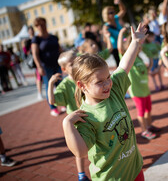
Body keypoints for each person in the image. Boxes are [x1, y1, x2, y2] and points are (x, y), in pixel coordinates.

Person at [62, 23, 147, 180]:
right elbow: (80, 152)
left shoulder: (113, 90)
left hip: (135, 170)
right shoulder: (86, 116)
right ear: (82, 85)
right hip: (112, 177)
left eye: (108, 77)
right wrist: (67, 124)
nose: (107, 83)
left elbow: (124, 66)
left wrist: (135, 42)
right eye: (99, 82)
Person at [47, 51, 89, 181]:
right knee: (79, 150)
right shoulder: (65, 85)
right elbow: (53, 101)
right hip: (77, 121)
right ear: (64, 69)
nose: (75, 65)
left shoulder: (84, 77)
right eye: (71, 64)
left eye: (77, 61)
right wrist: (50, 84)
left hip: (91, 116)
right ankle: (81, 174)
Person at [118, 27, 159, 140]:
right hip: (136, 91)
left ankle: (149, 126)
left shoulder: (140, 58)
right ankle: (144, 130)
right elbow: (120, 49)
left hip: (145, 89)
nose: (140, 47)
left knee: (148, 109)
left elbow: (147, 70)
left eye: (140, 46)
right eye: (138, 46)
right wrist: (121, 33)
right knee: (141, 111)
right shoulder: (128, 59)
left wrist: (150, 61)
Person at [31, 17, 63, 116]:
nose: (41, 26)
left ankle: (63, 103)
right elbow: (35, 54)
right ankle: (53, 108)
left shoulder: (53, 37)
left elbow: (59, 49)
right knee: (49, 85)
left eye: (42, 24)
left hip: (57, 64)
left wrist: (63, 61)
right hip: (45, 66)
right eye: (38, 25)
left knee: (60, 85)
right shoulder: (36, 39)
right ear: (36, 27)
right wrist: (39, 67)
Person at [102, 0, 126, 67]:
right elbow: (105, 40)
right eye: (110, 13)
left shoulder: (116, 18)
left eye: (113, 12)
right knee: (121, 66)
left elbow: (123, 10)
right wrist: (107, 35)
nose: (113, 14)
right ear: (106, 15)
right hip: (116, 48)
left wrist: (120, 3)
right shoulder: (106, 27)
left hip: (124, 45)